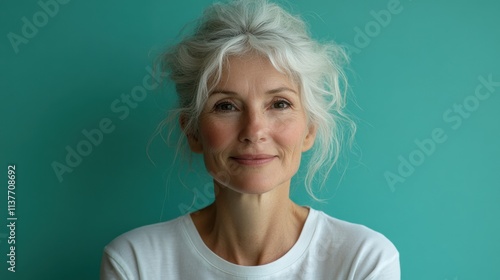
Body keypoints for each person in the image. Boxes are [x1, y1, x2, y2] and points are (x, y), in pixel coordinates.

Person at [100, 0, 400, 279]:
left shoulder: (363, 259)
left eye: (279, 104)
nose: (254, 130)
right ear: (193, 132)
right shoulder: (136, 261)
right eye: (226, 106)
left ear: (310, 129)